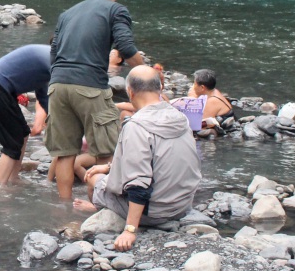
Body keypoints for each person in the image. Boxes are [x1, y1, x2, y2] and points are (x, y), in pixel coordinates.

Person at [74, 66, 201, 252]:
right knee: (103, 171)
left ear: (130, 92)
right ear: (160, 89)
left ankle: (100, 209)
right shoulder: (180, 117)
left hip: (154, 213)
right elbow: (159, 161)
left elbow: (138, 184)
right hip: (182, 206)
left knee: (92, 178)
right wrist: (109, 167)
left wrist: (130, 230)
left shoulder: (136, 126)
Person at [46, 0, 145, 200]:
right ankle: (99, 205)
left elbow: (53, 53)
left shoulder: (67, 14)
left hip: (58, 85)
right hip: (90, 86)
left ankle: (64, 208)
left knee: (64, 153)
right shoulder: (116, 9)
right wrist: (145, 70)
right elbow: (126, 46)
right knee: (104, 149)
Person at [0, 44, 51, 185]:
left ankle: (13, 177)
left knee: (23, 133)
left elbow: (44, 98)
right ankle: (1, 186)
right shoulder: (52, 59)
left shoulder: (48, 61)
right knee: (12, 142)